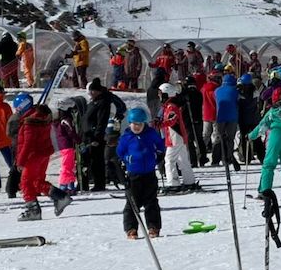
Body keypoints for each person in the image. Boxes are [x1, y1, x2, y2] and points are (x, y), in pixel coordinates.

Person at [16, 105, 73, 221]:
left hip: (32, 157)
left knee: (25, 183)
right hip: (43, 155)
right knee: (37, 182)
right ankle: (60, 197)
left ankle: (33, 211)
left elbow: (28, 144)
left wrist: (20, 161)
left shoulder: (30, 123)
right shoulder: (43, 121)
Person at [116, 107, 165, 238]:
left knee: (151, 201)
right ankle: (131, 229)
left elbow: (160, 145)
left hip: (149, 173)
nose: (137, 127)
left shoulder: (151, 134)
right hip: (134, 175)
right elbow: (119, 153)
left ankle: (153, 227)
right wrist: (126, 159)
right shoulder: (126, 137)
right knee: (132, 203)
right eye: (134, 124)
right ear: (129, 123)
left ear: (144, 124)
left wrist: (158, 155)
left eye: (140, 124)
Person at [249, 87, 281, 206]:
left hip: (274, 138)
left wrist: (251, 136)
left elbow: (262, 126)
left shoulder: (272, 112)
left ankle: (265, 192)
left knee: (268, 165)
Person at [83, 78, 127, 191]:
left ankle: (106, 179)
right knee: (99, 158)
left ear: (98, 91)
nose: (90, 93)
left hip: (108, 131)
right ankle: (104, 178)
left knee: (104, 157)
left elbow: (102, 120)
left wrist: (97, 136)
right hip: (100, 132)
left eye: (92, 91)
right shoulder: (98, 99)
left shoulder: (104, 101)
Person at [158, 82, 198, 190]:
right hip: (177, 137)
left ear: (167, 94)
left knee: (169, 160)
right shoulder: (170, 105)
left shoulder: (172, 106)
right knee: (182, 160)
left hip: (175, 137)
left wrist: (160, 124)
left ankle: (173, 183)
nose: (159, 96)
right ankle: (189, 181)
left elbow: (172, 120)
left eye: (161, 94)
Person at [5, 92, 33, 197]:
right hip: (17, 145)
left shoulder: (23, 116)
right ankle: (11, 189)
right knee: (16, 166)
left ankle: (22, 185)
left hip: (20, 144)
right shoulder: (16, 118)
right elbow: (9, 133)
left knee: (24, 166)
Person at [214, 74, 241, 170]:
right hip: (232, 117)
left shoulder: (217, 91)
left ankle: (216, 158)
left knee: (219, 138)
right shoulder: (235, 91)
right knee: (230, 138)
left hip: (220, 116)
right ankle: (229, 157)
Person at [54, 100, 82, 193]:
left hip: (63, 146)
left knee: (69, 166)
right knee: (67, 166)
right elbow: (71, 132)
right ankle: (63, 186)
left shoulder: (58, 120)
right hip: (67, 146)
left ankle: (70, 185)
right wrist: (79, 140)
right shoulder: (66, 120)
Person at [237, 74, 264, 163]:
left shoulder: (240, 93)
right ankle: (262, 157)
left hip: (243, 119)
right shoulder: (255, 91)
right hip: (254, 118)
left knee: (244, 139)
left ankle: (246, 157)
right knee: (257, 138)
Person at [182, 76, 207, 167]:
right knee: (199, 139)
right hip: (198, 119)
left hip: (188, 120)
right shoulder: (198, 93)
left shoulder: (186, 93)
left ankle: (193, 160)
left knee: (190, 141)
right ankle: (202, 157)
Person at [201, 70, 221, 166]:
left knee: (205, 137)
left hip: (206, 115)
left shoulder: (204, 88)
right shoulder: (217, 89)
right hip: (216, 114)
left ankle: (200, 156)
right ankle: (215, 159)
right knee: (216, 137)